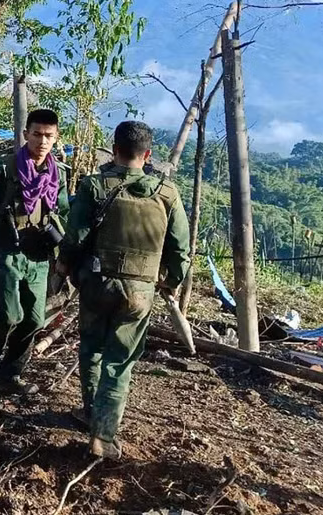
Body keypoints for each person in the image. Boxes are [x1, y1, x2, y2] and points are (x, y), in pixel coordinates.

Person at [57, 120, 190, 459]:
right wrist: (171, 282)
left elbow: (75, 237)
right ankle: (103, 436)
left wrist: (64, 267)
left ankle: (91, 412)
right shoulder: (168, 194)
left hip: (96, 283)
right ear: (148, 155)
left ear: (114, 150)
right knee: (119, 362)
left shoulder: (93, 186)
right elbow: (180, 250)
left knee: (92, 349)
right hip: (139, 291)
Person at [0, 109, 69, 395]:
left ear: (56, 137)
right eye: (36, 134)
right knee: (10, 315)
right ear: (26, 134)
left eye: (49, 136)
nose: (42, 141)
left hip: (39, 254)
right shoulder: (4, 167)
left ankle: (12, 372)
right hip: (8, 250)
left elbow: (64, 212)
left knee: (35, 320)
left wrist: (66, 251)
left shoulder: (58, 174)